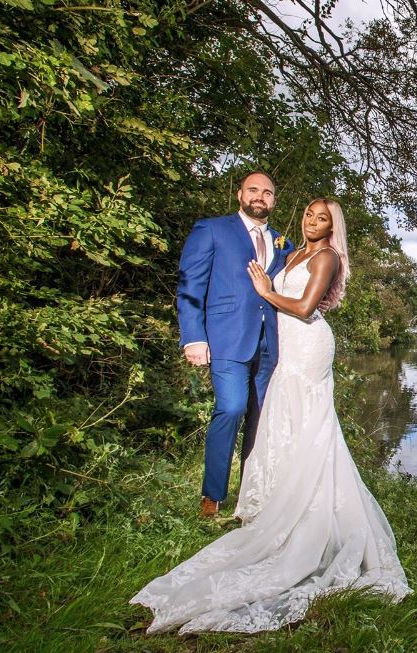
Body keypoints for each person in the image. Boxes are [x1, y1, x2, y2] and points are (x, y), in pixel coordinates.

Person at [132, 198, 411, 633]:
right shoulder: (293, 249)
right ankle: (278, 498)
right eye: (308, 214)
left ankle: (308, 509)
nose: (313, 222)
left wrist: (266, 291)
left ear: (333, 226)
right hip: (288, 347)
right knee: (283, 421)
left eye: (323, 218)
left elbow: (303, 308)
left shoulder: (326, 256)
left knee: (310, 424)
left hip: (308, 343)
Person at [177, 171, 292, 518]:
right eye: (254, 190)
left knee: (261, 419)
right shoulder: (211, 229)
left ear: (274, 200)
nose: (260, 197)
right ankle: (212, 497)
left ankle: (250, 496)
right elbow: (190, 285)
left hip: (271, 344)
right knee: (231, 408)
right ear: (240, 194)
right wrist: (194, 336)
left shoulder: (282, 242)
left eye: (268, 193)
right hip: (226, 338)